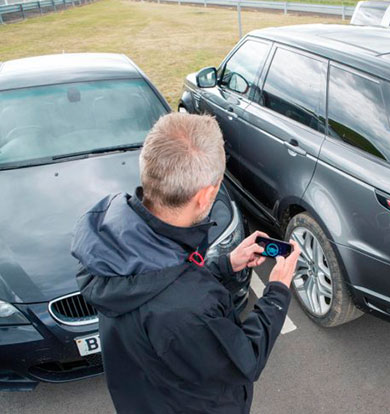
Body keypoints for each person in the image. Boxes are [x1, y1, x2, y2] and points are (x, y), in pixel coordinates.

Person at [71, 112, 300, 414]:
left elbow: (161, 282)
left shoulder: (113, 241)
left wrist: (225, 265)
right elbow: (245, 359)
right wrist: (277, 291)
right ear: (206, 196)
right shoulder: (189, 307)